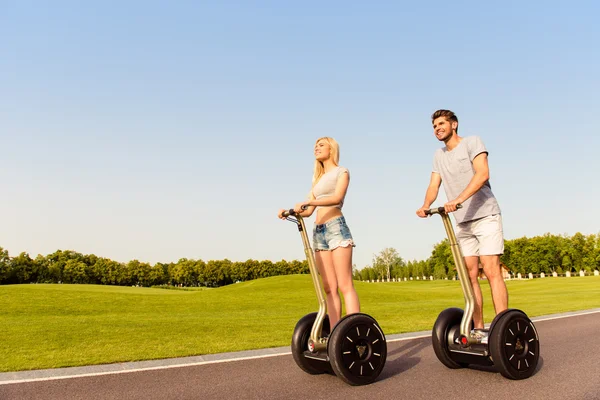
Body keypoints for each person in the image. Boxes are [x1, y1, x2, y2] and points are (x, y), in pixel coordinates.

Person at [416, 109, 508, 336]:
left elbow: (482, 173)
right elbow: (433, 185)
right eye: (434, 126)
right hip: (462, 221)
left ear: (454, 124)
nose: (437, 128)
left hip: (486, 215)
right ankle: (478, 329)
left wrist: (458, 199)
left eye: (441, 124)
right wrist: (426, 204)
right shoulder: (438, 155)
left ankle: (502, 328)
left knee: (490, 269)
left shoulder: (472, 142)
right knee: (470, 275)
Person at [278, 137, 359, 328]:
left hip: (336, 227)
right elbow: (307, 211)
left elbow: (337, 197)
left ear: (331, 149)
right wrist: (290, 211)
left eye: (321, 145)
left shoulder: (342, 172)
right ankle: (335, 335)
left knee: (344, 285)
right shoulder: (318, 179)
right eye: (315, 145)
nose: (316, 148)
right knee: (329, 288)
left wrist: (310, 202)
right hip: (319, 232)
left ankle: (355, 329)